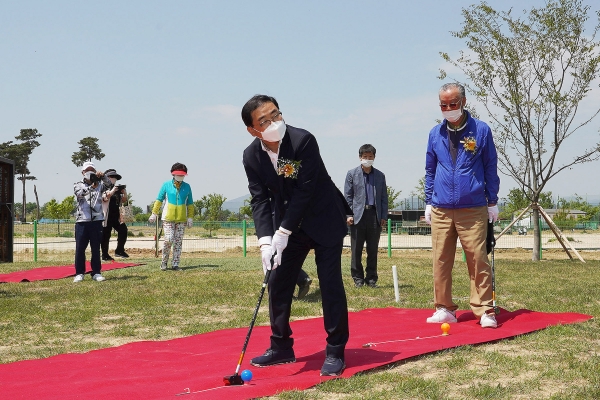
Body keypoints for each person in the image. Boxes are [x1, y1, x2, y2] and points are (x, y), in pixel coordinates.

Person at [241, 94, 351, 376]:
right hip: (287, 228)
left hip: (323, 219)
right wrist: (266, 240)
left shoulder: (303, 141)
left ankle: (336, 350)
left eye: (275, 114)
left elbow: (305, 191)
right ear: (253, 130)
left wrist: (283, 231)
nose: (273, 122)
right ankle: (281, 347)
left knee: (330, 285)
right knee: (278, 283)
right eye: (264, 120)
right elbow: (259, 200)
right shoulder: (251, 155)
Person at [424, 82, 500, 328]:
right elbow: (430, 169)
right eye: (443, 105)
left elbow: (490, 166)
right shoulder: (435, 133)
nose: (448, 109)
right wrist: (428, 200)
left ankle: (485, 310)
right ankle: (444, 308)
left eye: (452, 104)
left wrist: (492, 201)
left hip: (473, 207)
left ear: (464, 102)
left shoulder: (481, 130)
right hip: (441, 207)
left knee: (478, 258)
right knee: (440, 259)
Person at [344, 144, 388, 288]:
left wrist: (383, 216)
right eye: (365, 157)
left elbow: (383, 198)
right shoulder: (352, 174)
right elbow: (348, 197)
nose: (367, 159)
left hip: (374, 215)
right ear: (360, 157)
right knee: (356, 249)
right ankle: (358, 278)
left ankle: (371, 279)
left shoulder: (380, 176)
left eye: (370, 157)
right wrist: (348, 215)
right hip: (358, 216)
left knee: (373, 250)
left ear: (374, 158)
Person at [73, 161, 118, 282]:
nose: (89, 172)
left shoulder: (100, 185)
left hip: (97, 221)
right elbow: (79, 194)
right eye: (87, 170)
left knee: (95, 248)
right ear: (83, 172)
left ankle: (96, 272)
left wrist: (102, 176)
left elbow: (109, 186)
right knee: (80, 249)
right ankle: (79, 273)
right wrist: (90, 187)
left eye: (92, 170)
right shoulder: (78, 185)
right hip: (82, 221)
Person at [148, 163, 195, 271]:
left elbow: (190, 203)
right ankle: (164, 262)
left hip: (181, 219)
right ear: (173, 174)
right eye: (178, 174)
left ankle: (175, 264)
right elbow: (159, 199)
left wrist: (190, 217)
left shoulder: (187, 187)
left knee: (178, 242)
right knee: (168, 239)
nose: (180, 177)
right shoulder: (166, 185)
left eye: (182, 175)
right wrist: (154, 213)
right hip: (168, 218)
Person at [101, 169, 129, 261]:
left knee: (123, 230)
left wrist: (124, 193)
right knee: (106, 235)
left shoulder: (116, 189)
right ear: (107, 177)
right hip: (106, 216)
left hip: (116, 215)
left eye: (115, 178)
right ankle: (105, 254)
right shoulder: (103, 187)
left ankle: (119, 250)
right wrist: (112, 190)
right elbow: (104, 198)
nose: (114, 179)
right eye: (112, 177)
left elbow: (123, 201)